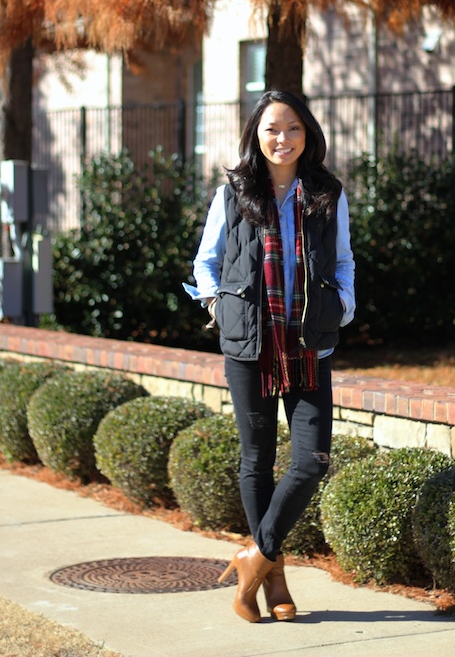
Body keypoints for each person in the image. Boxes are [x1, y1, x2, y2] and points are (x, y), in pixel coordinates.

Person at [184, 88, 355, 623]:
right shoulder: (234, 192)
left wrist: (342, 308)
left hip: (308, 343)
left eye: (293, 129)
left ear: (309, 134)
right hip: (250, 342)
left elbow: (344, 259)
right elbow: (205, 262)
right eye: (271, 129)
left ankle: (253, 556)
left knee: (312, 460)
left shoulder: (327, 193)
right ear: (256, 136)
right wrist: (219, 306)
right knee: (255, 458)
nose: (283, 139)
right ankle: (273, 577)